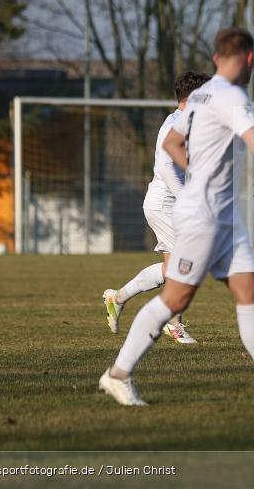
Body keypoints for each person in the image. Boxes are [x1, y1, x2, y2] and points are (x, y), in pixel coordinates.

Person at [99, 28, 254, 406]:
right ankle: (117, 374)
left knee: (251, 292)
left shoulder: (200, 97)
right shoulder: (229, 95)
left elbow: (172, 143)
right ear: (249, 59)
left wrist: (198, 171)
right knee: (176, 297)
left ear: (217, 58)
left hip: (221, 215)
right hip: (203, 214)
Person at [102, 71, 210, 344]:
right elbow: (165, 166)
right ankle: (173, 324)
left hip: (168, 202)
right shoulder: (174, 125)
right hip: (165, 203)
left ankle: (118, 298)